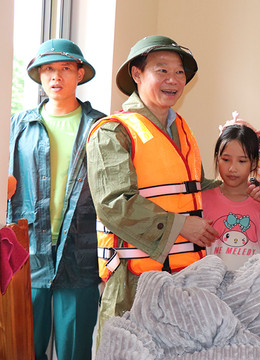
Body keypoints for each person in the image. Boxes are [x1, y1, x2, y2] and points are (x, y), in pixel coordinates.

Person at [86, 35, 219, 344]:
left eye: (180, 72)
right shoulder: (112, 131)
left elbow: (195, 190)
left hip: (186, 280)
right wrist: (182, 224)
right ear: (137, 74)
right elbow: (115, 204)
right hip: (133, 283)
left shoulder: (182, 129)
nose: (173, 80)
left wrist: (248, 188)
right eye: (162, 70)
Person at [7, 38, 104, 360]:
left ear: (79, 73)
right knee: (23, 347)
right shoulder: (18, 126)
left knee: (75, 350)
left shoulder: (101, 127)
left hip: (82, 253)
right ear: (38, 76)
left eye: (64, 68)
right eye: (48, 69)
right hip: (28, 251)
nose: (56, 76)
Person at [203, 122, 260, 270]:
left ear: (254, 163)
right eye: (225, 159)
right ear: (217, 158)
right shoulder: (202, 200)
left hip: (253, 288)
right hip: (212, 288)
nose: (232, 168)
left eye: (242, 161)